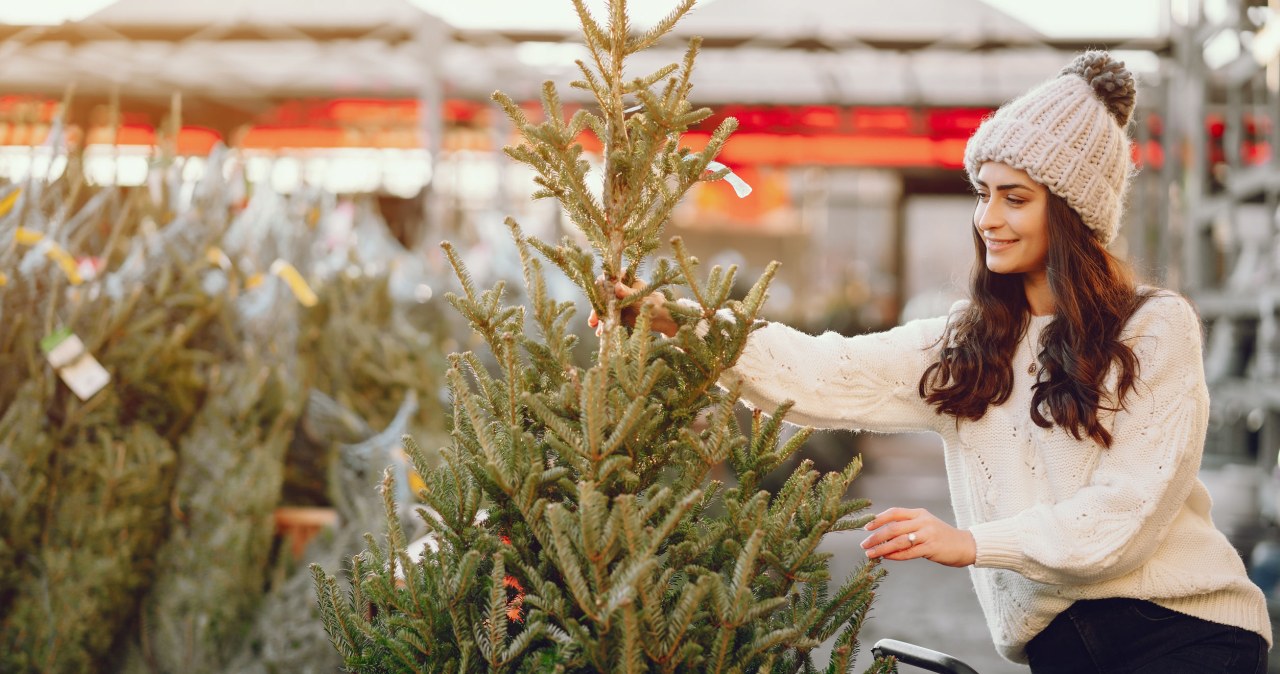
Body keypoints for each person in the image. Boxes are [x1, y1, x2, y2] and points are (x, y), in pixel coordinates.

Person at [589, 51, 1272, 672]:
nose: (988, 219)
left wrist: (972, 542)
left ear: (1071, 212)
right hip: (1066, 651)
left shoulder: (1153, 328)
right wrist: (677, 320)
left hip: (1187, 636)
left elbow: (1127, 513)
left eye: (1016, 197)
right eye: (984, 193)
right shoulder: (969, 344)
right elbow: (826, 371)